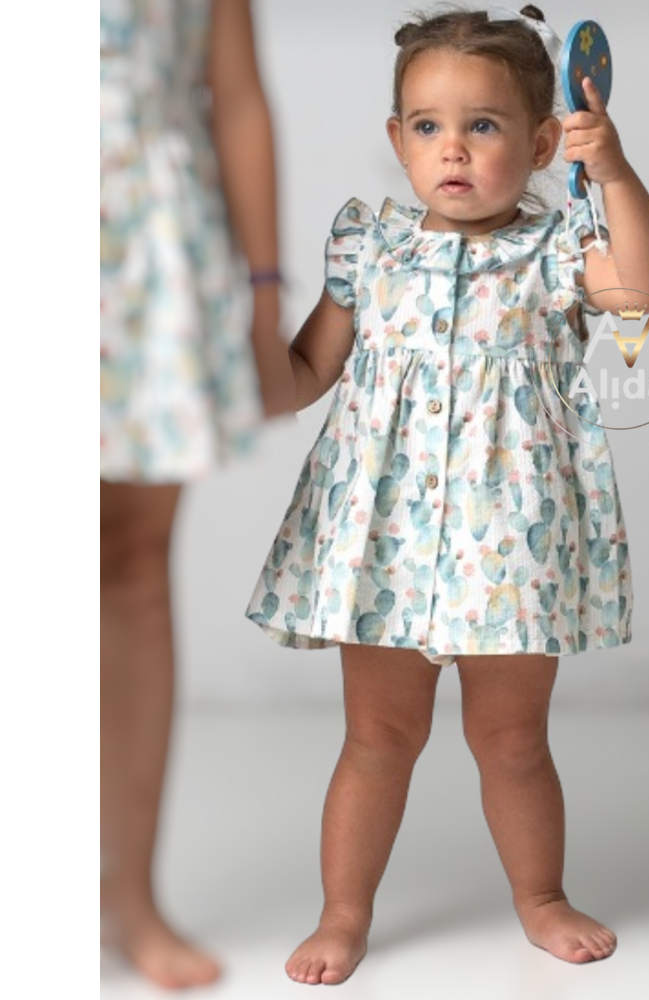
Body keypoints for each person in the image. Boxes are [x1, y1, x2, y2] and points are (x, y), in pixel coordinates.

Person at [246, 4, 649, 987]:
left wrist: (611, 171)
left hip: (511, 530)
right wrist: (236, 356)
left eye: (482, 125)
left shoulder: (557, 249)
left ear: (540, 144)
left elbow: (646, 290)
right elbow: (308, 369)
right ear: (397, 138)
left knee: (512, 739)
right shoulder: (369, 248)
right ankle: (343, 912)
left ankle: (541, 896)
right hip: (384, 534)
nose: (452, 147)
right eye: (428, 125)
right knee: (376, 736)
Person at [100, 0, 293, 989]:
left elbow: (239, 95)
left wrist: (264, 300)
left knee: (131, 566)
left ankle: (127, 894)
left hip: (146, 239)